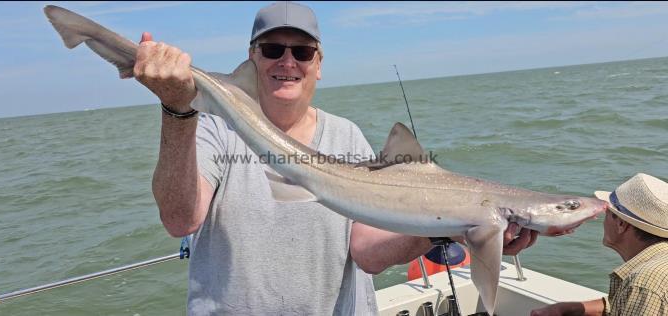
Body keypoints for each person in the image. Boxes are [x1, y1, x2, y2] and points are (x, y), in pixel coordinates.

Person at [135, 1, 537, 314]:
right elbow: (180, 219)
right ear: (252, 57)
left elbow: (366, 251)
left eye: (303, 51)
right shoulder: (211, 129)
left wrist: (452, 228)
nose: (288, 61)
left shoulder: (346, 136)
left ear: (319, 64)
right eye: (273, 49)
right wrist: (177, 110)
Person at [531, 173, 668, 316]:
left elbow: (642, 294)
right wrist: (568, 309)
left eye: (608, 211)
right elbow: (626, 303)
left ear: (621, 224)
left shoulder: (643, 284)